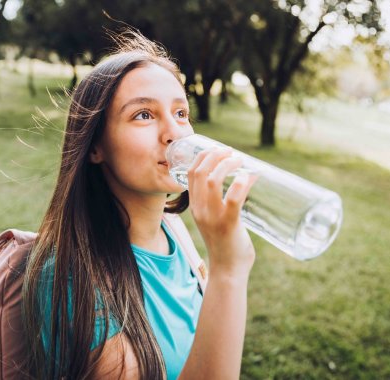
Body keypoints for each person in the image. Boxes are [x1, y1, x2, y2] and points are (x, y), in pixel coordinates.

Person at [22, 30, 257, 380]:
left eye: (180, 113)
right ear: (95, 148)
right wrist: (227, 270)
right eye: (143, 115)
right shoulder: (72, 276)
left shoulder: (173, 230)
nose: (174, 133)